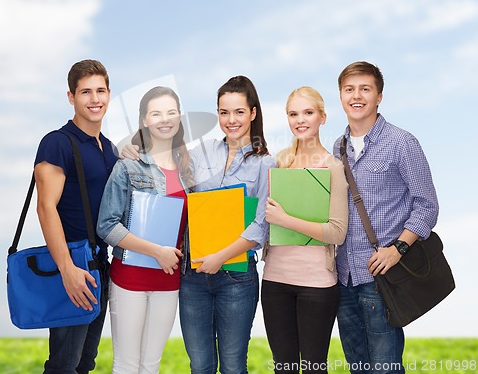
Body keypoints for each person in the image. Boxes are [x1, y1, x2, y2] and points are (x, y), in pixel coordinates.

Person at [332, 62, 439, 374]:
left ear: (379, 96)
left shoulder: (402, 143)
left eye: (365, 89)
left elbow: (427, 207)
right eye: (349, 90)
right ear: (340, 96)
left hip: (382, 279)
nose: (357, 96)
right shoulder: (336, 149)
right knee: (358, 368)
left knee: (385, 369)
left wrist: (397, 249)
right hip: (344, 278)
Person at [179, 76, 276, 374]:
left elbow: (261, 226)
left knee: (233, 366)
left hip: (236, 277)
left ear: (253, 113)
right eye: (224, 112)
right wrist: (135, 149)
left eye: (238, 112)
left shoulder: (266, 164)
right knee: (200, 365)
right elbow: (174, 180)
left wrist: (219, 258)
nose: (230, 120)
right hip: (193, 275)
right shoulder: (201, 152)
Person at [97, 86, 193, 374]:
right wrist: (156, 252)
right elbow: (107, 225)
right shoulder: (128, 165)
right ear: (144, 120)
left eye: (171, 112)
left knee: (151, 365)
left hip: (169, 281)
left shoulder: (190, 170)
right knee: (127, 365)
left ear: (180, 117)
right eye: (156, 113)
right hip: (130, 280)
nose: (165, 119)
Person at [34, 60, 118, 374]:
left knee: (84, 363)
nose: (94, 99)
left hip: (101, 266)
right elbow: (46, 208)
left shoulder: (109, 149)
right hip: (73, 264)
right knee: (63, 365)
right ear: (71, 97)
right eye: (85, 92)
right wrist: (66, 268)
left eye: (100, 91)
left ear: (109, 94)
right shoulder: (57, 143)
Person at [262, 86, 349, 373]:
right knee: (283, 367)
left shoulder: (333, 167)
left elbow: (337, 232)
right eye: (293, 114)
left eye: (308, 113)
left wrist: (285, 219)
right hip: (275, 281)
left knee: (314, 367)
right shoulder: (278, 163)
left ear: (322, 117)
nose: (300, 120)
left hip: (317, 284)